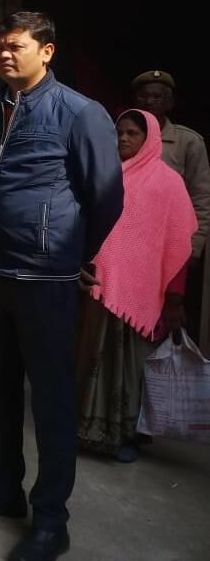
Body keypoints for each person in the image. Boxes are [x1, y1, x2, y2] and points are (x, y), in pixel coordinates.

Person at [0, 12, 124, 561]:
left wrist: (72, 254)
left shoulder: (80, 113)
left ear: (46, 51)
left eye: (16, 45)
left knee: (50, 402)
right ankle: (4, 489)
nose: (4, 54)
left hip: (45, 283)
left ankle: (50, 521)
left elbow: (106, 198)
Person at [75, 109, 195, 463]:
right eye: (120, 132)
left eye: (133, 133)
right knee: (93, 356)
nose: (124, 139)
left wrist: (175, 297)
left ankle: (127, 435)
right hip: (100, 286)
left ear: (150, 138)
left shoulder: (170, 184)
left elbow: (178, 245)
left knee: (131, 365)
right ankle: (89, 430)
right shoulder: (105, 176)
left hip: (145, 295)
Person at [131, 70, 210, 357]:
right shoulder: (126, 134)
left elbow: (202, 199)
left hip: (170, 252)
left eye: (157, 97)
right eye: (144, 96)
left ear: (170, 102)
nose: (149, 101)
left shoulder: (187, 142)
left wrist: (194, 249)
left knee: (165, 326)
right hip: (130, 249)